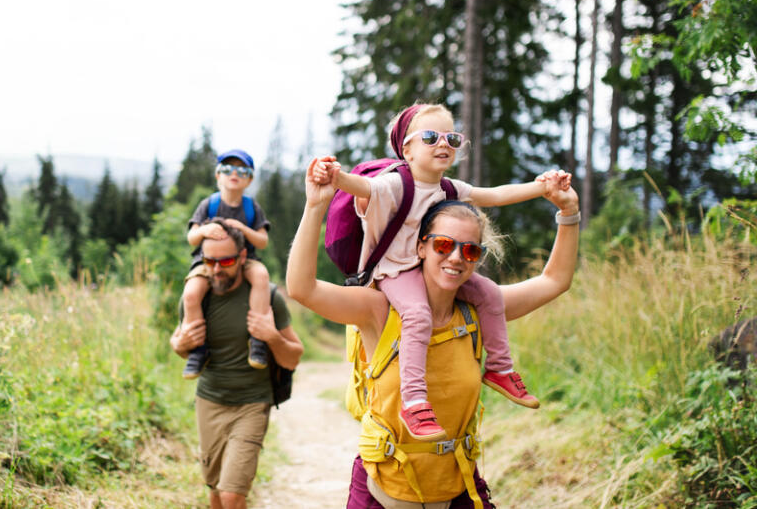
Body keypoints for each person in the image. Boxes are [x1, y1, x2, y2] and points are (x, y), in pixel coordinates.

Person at [288, 157, 580, 507]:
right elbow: (302, 289)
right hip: (382, 490)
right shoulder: (379, 309)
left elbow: (555, 281)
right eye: (443, 245)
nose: (456, 258)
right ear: (420, 247)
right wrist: (315, 204)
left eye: (470, 250)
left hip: (458, 489)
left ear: (477, 258)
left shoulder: (480, 312)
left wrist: (569, 213)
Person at [313, 103, 571, 440]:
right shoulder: (394, 184)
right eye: (431, 137)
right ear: (407, 148)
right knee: (418, 314)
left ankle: (499, 369)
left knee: (490, 293)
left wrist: (542, 188)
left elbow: (492, 196)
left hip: (426, 268)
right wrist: (333, 177)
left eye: (452, 137)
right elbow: (361, 188)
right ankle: (415, 401)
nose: (444, 144)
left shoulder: (448, 189)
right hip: (394, 273)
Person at [170, 218, 304, 509]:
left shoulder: (267, 298)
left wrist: (271, 337)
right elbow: (180, 343)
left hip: (252, 404)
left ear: (243, 258)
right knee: (216, 491)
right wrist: (179, 345)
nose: (217, 269)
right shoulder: (196, 297)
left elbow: (293, 356)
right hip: (210, 402)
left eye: (226, 260)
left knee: (232, 494)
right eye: (209, 261)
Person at [182, 149, 273, 378]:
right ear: (217, 176)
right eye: (227, 169)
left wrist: (242, 228)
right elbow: (192, 237)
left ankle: (258, 340)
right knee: (192, 294)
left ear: (250, 179)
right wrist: (204, 229)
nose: (234, 174)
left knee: (261, 277)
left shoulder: (251, 207)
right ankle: (197, 349)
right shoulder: (208, 205)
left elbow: (262, 241)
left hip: (245, 259)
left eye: (242, 170)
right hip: (209, 261)